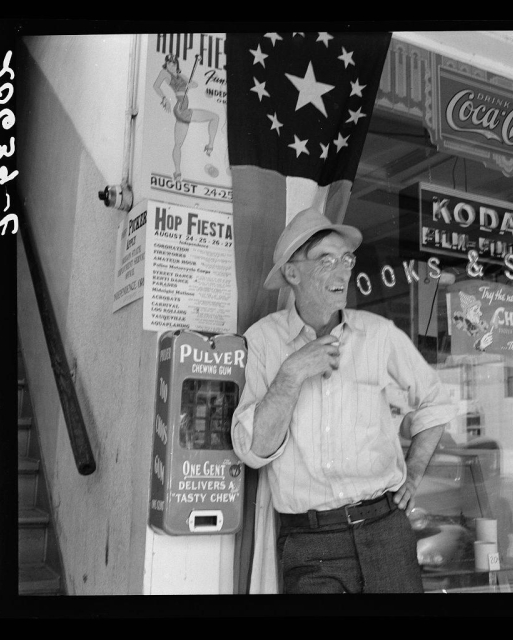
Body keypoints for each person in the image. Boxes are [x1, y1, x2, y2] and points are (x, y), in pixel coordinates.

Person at [231, 207, 457, 594]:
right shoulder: (263, 341)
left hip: (386, 529)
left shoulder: (379, 335)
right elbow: (253, 450)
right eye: (326, 260)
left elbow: (436, 402)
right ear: (292, 272)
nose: (342, 271)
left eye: (346, 259)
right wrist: (291, 374)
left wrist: (416, 468)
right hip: (311, 541)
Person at [152, 53, 219, 181]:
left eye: (174, 63)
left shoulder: (180, 75)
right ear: (166, 64)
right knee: (214, 118)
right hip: (181, 108)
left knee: (178, 144)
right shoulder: (164, 73)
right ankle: (178, 171)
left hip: (184, 109)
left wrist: (189, 84)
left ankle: (179, 171)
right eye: (169, 63)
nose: (172, 65)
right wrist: (164, 98)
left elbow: (195, 84)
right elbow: (156, 86)